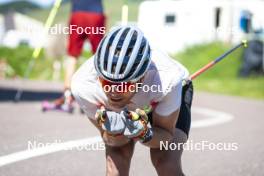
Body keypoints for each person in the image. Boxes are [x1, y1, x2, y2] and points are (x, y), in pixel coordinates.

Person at [71, 26, 193, 176]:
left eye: (124, 85)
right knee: (115, 165)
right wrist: (113, 133)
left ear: (142, 78)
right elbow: (113, 142)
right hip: (138, 101)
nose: (113, 92)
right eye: (106, 83)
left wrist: (144, 133)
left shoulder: (168, 80)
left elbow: (165, 136)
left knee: (165, 162)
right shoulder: (83, 85)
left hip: (160, 98)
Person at [54, 0, 106, 109]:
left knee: (72, 55)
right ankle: (100, 95)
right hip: (95, 14)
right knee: (99, 55)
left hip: (77, 14)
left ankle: (67, 94)